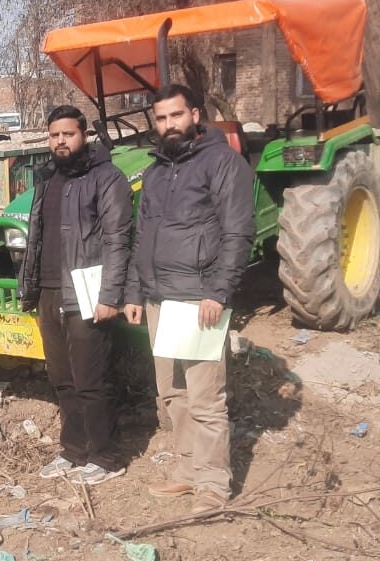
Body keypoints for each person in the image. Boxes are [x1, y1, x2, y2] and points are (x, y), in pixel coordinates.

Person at [123, 84, 255, 510]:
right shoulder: (157, 170)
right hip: (160, 300)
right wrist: (133, 291)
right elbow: (142, 236)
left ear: (195, 114)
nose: (168, 125)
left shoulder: (222, 164)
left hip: (199, 300)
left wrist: (218, 292)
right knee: (171, 393)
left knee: (205, 398)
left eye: (176, 116)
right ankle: (187, 470)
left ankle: (214, 485)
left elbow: (238, 233)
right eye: (160, 119)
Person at [18, 105, 133, 486]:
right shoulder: (47, 178)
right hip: (50, 291)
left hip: (87, 292)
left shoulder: (107, 178)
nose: (61, 141)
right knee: (62, 377)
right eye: (54, 135)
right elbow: (36, 238)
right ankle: (74, 450)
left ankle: (105, 454)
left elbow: (118, 240)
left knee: (92, 376)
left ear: (83, 135)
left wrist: (109, 295)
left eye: (68, 134)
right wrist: (29, 287)